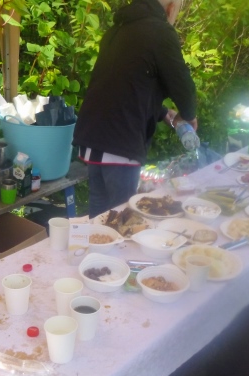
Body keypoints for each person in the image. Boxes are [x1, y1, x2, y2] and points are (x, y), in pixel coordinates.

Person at [73, 0, 197, 218]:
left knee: (99, 216)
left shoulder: (116, 31)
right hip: (121, 141)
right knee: (123, 217)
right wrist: (189, 116)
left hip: (93, 138)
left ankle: (96, 240)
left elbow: (124, 84)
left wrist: (162, 112)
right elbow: (182, 85)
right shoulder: (160, 32)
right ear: (171, 8)